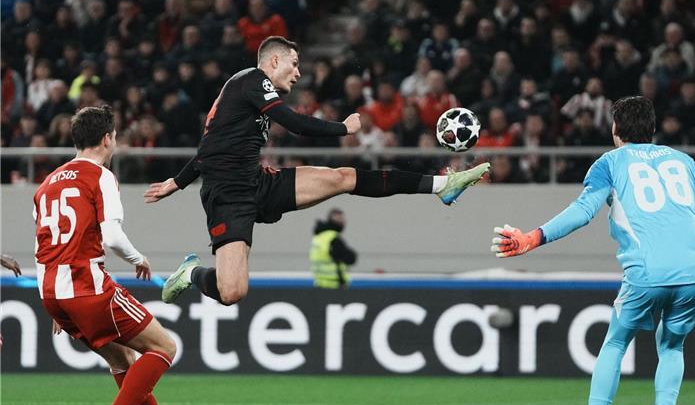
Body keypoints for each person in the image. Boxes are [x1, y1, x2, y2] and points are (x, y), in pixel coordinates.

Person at [143, 36, 489, 306]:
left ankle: (442, 185)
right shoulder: (251, 79)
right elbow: (292, 123)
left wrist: (177, 181)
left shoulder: (244, 95)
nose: (298, 72)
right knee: (232, 291)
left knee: (344, 177)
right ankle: (190, 273)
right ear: (273, 60)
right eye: (293, 64)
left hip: (258, 182)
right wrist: (344, 128)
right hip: (228, 197)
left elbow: (209, 147)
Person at [490, 96, 695, 405]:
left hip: (647, 273)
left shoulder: (609, 163)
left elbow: (582, 211)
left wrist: (532, 238)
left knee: (616, 342)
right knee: (672, 345)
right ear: (653, 128)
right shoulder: (686, 162)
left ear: (616, 129)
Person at [32, 106, 217, 405]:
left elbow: (41, 248)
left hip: (53, 292)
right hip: (87, 286)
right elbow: (113, 237)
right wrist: (137, 258)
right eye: (115, 137)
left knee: (122, 363)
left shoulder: (45, 184)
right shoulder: (100, 176)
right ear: (107, 138)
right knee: (164, 348)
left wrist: (55, 303)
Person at [310, 208, 357, 289]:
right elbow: (349, 259)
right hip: (334, 285)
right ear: (332, 219)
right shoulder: (333, 238)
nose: (343, 222)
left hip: (319, 284)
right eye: (340, 219)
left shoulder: (318, 237)